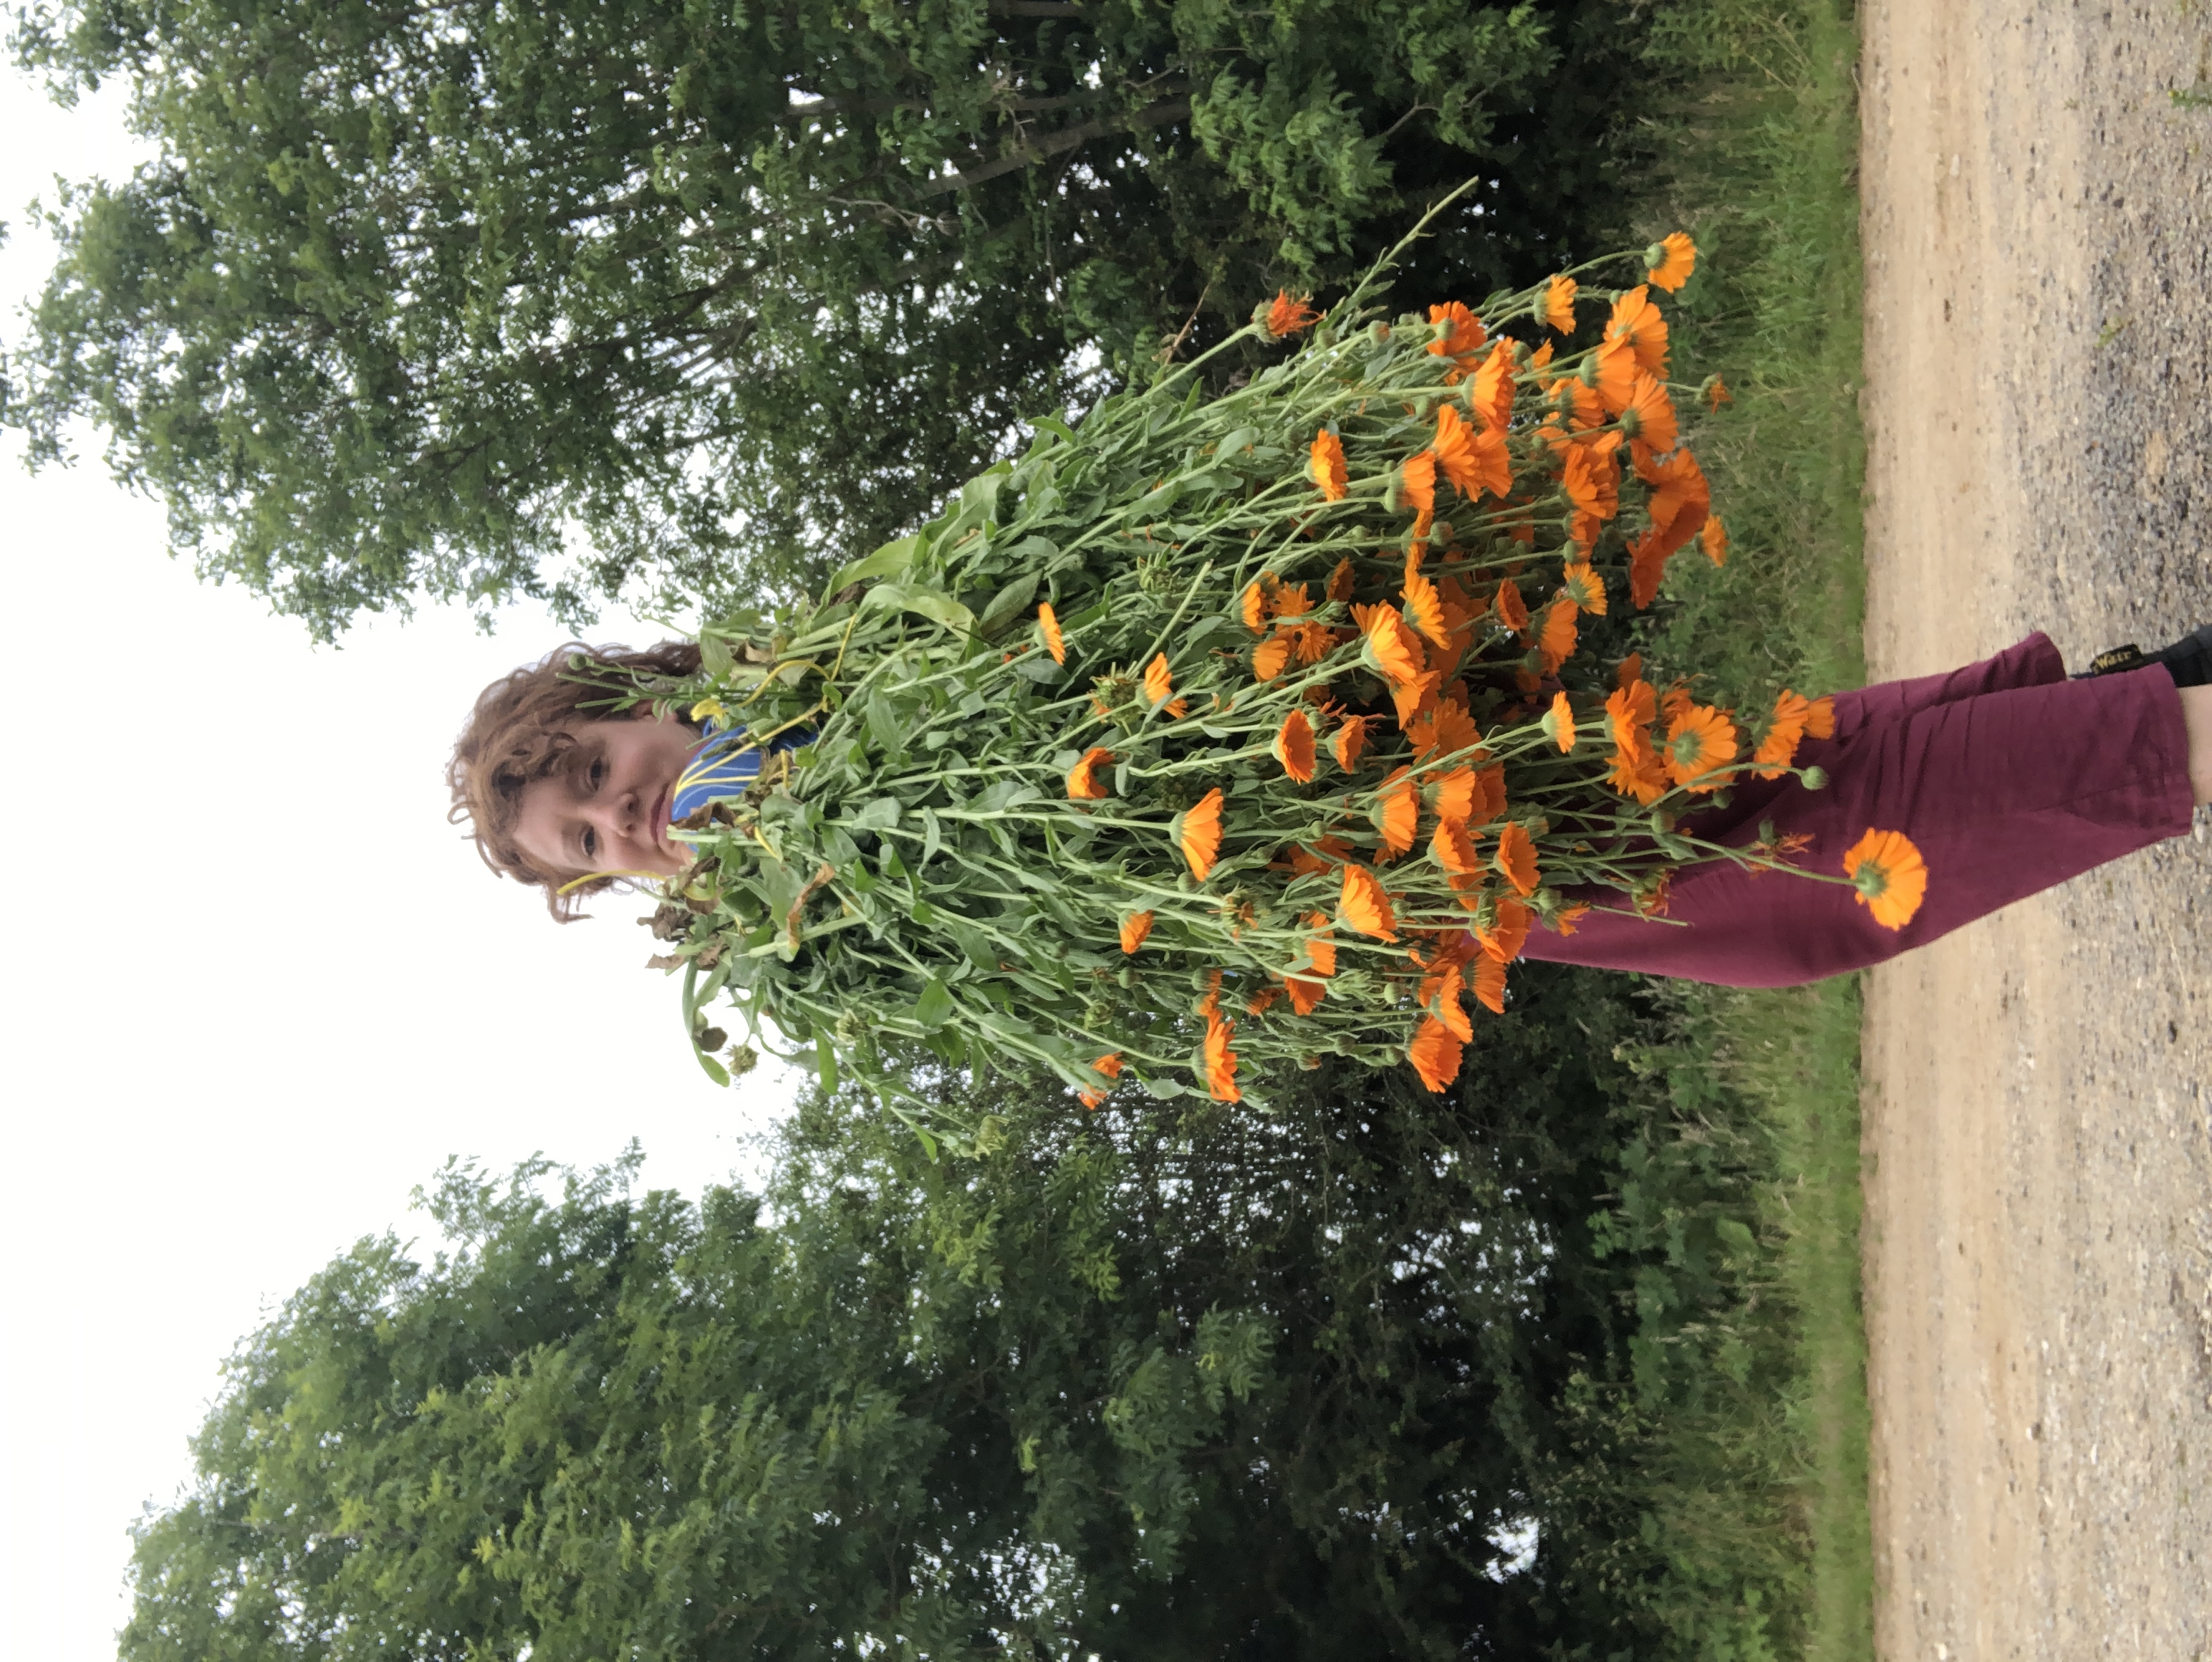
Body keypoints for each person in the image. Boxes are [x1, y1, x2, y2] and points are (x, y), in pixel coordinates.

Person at [450, 624, 2212, 983]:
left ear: (632, 704)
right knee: (1776, 835)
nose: (632, 818)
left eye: (601, 775)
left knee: (1798, 835)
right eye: (591, 846)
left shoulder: (810, 704)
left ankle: (2143, 722)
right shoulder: (801, 928)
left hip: (1363, 782)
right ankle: (2131, 699)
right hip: (1366, 874)